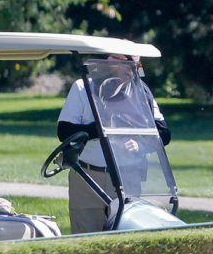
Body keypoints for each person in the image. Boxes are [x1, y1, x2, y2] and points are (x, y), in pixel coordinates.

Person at [57, 56, 171, 234]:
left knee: (124, 238)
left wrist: (140, 143)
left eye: (136, 64)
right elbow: (64, 131)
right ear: (111, 60)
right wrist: (101, 128)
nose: (132, 69)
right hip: (88, 175)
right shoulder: (83, 87)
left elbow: (163, 133)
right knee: (85, 238)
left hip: (128, 176)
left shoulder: (141, 92)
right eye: (128, 64)